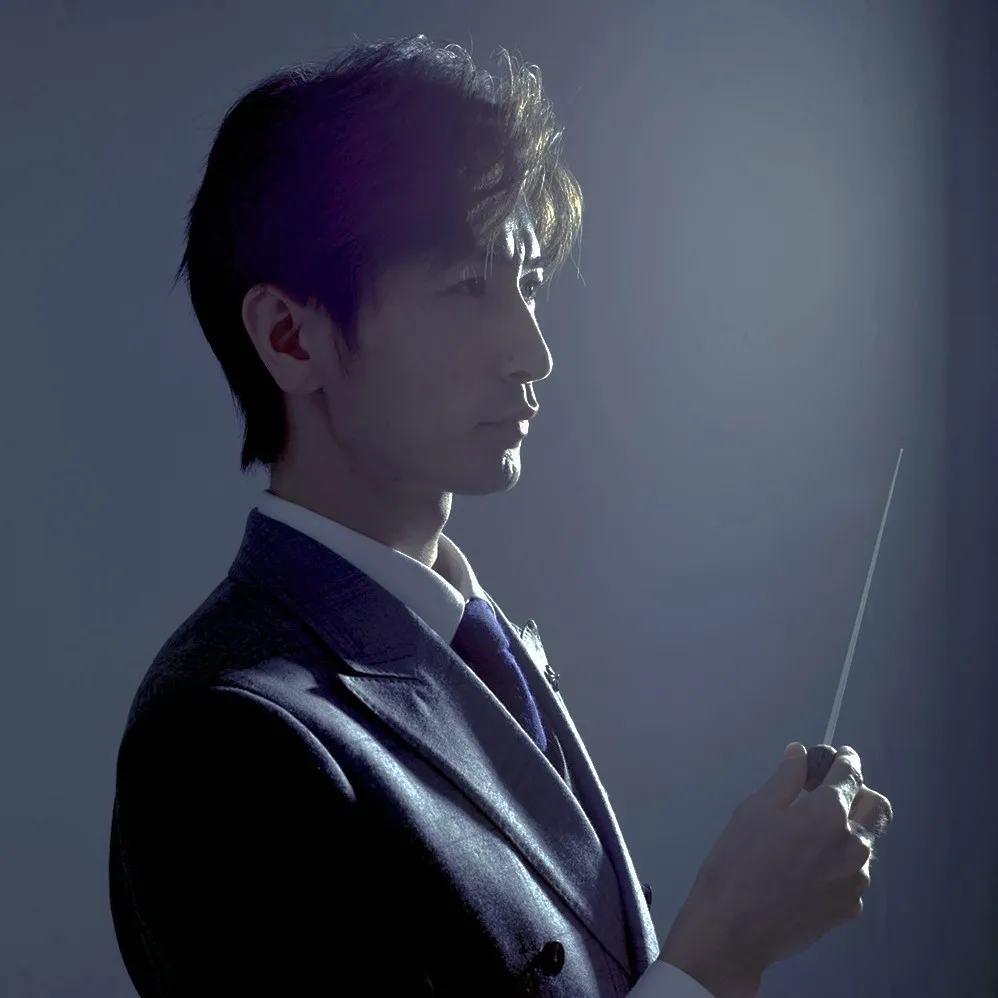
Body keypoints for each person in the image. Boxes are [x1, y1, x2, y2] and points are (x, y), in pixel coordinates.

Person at [108, 35, 893, 998]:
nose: (534, 352)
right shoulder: (224, 742)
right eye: (466, 287)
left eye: (526, 284)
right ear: (289, 337)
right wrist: (728, 941)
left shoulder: (487, 646)